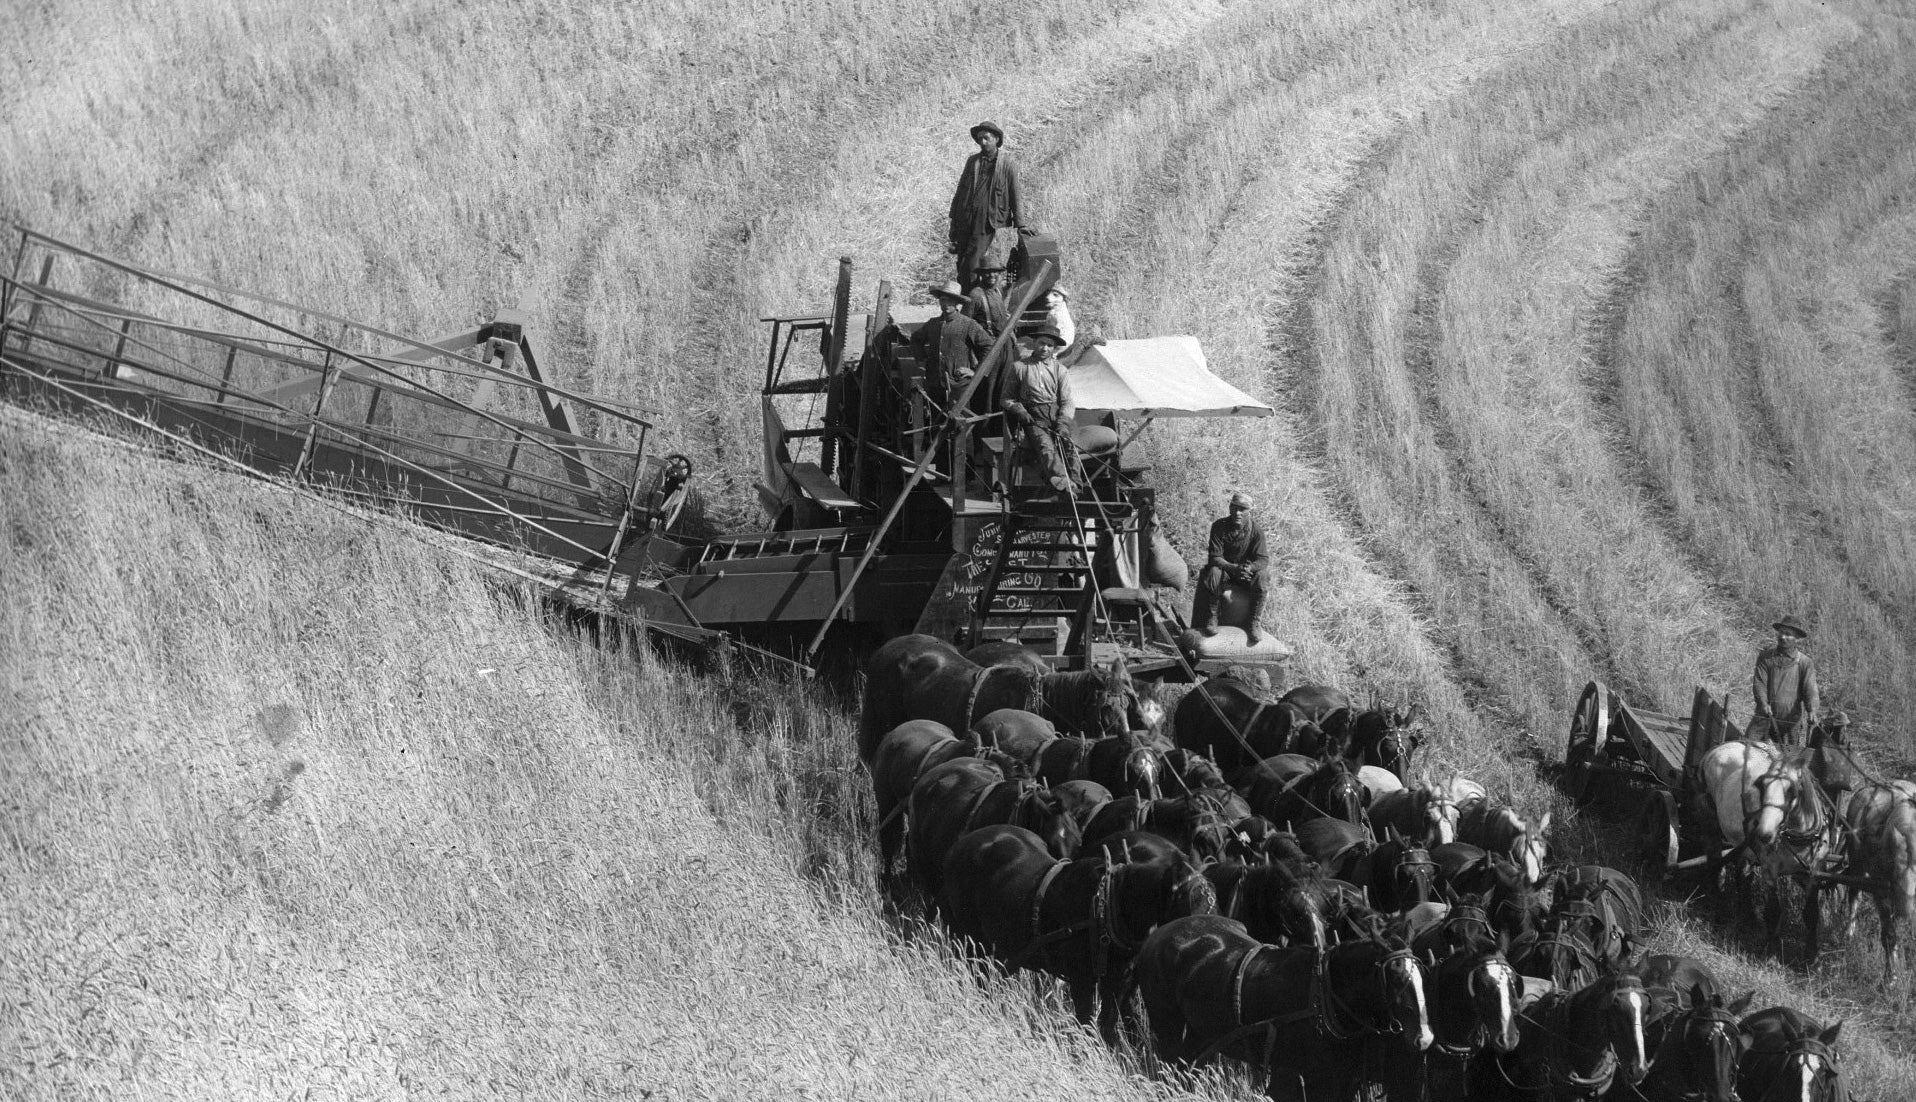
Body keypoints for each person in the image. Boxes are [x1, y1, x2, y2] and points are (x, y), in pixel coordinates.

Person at [948, 121, 1028, 289]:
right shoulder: (973, 161)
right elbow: (960, 190)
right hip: (965, 217)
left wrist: (1020, 224)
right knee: (962, 259)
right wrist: (953, 220)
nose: (982, 142)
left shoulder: (1007, 164)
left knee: (972, 261)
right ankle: (970, 299)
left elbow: (1016, 194)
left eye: (986, 138)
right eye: (979, 139)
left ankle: (972, 300)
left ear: (996, 139)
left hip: (987, 220)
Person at [1000, 322, 1075, 495]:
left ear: (1054, 348)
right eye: (1042, 343)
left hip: (1056, 415)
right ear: (1035, 343)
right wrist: (1020, 411)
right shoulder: (1020, 367)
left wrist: (1063, 423)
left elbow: (1068, 401)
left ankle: (1076, 484)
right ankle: (1063, 482)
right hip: (1033, 417)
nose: (1045, 348)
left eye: (1050, 345)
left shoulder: (1060, 370)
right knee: (1045, 446)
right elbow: (1006, 398)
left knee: (1070, 446)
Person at [1192, 492, 1268, 645]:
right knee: (1213, 571)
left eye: (1242, 509)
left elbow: (1263, 559)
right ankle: (1212, 616)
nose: (1237, 513)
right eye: (1234, 508)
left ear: (1249, 511)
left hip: (1245, 574)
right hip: (1226, 571)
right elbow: (1215, 557)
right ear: (1230, 507)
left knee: (1263, 576)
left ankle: (1255, 621)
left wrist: (1250, 568)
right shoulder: (1219, 526)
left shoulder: (1256, 532)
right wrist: (1233, 568)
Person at [910, 279, 994, 410]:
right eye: (943, 300)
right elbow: (915, 339)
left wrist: (976, 372)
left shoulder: (968, 324)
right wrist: (921, 361)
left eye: (950, 300)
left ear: (957, 303)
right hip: (935, 384)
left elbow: (989, 346)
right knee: (936, 421)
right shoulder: (933, 324)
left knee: (960, 425)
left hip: (959, 385)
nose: (946, 304)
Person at [1751, 615, 1820, 746]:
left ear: (1797, 639)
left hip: (1790, 723)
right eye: (1781, 632)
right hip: (1764, 716)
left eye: (1788, 634)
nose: (1783, 637)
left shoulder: (1805, 663)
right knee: (1748, 751)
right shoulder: (1766, 657)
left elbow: (1810, 689)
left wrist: (1812, 710)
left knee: (1788, 759)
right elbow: (1760, 683)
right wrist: (1763, 703)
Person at [965, 264, 1011, 337]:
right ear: (981, 274)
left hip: (1004, 339)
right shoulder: (976, 295)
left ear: (999, 273)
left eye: (995, 272)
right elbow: (965, 322)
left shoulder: (997, 291)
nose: (991, 275)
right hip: (988, 344)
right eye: (987, 272)